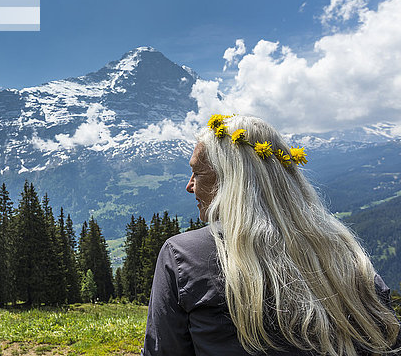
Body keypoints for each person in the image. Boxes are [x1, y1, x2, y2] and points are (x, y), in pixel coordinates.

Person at [142, 114, 400, 356]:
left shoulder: (184, 256)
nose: (190, 186)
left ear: (231, 181)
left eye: (197, 173)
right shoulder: (350, 258)